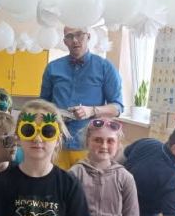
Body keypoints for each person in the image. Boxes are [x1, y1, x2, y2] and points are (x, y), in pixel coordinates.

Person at [39, 27, 123, 170]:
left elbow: (117, 108)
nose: (75, 40)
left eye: (79, 35)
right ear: (65, 41)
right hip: (56, 143)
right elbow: (42, 105)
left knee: (86, 184)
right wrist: (53, 115)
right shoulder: (52, 68)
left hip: (89, 146)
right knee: (57, 183)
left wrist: (92, 111)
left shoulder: (105, 67)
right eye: (70, 36)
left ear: (88, 37)